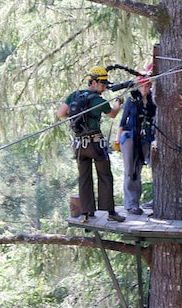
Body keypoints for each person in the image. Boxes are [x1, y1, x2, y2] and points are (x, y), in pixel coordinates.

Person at [58, 66, 123, 221]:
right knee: (105, 176)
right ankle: (110, 213)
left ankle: (86, 213)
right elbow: (112, 114)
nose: (105, 87)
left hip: (80, 146)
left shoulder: (74, 95)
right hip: (95, 145)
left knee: (84, 178)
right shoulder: (98, 100)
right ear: (93, 82)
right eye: (102, 84)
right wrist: (118, 103)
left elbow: (60, 114)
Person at [114, 74, 156, 215]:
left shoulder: (151, 102)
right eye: (143, 86)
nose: (145, 88)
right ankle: (130, 204)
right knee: (129, 170)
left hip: (144, 139)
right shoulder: (131, 100)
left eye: (147, 86)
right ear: (138, 86)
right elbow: (123, 121)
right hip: (130, 137)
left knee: (137, 169)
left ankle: (135, 203)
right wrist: (117, 140)